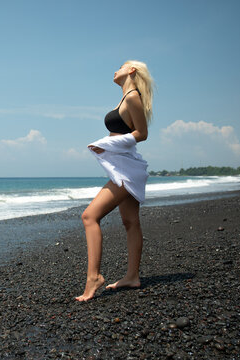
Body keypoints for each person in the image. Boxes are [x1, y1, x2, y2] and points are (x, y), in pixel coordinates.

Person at [75, 60, 154, 302]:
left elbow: (142, 134)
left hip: (127, 169)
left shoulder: (132, 97)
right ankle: (132, 276)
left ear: (132, 71)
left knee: (89, 217)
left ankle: (94, 278)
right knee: (130, 221)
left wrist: (106, 144)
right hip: (124, 165)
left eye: (121, 65)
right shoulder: (125, 98)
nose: (115, 69)